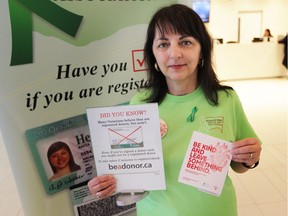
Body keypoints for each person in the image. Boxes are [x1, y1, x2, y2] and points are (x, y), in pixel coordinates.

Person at [87, 4, 262, 215]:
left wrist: (249, 158)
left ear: (202, 50)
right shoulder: (141, 103)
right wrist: (107, 183)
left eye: (186, 42)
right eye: (163, 44)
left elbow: (239, 165)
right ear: (153, 55)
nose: (174, 53)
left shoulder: (226, 99)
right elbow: (129, 171)